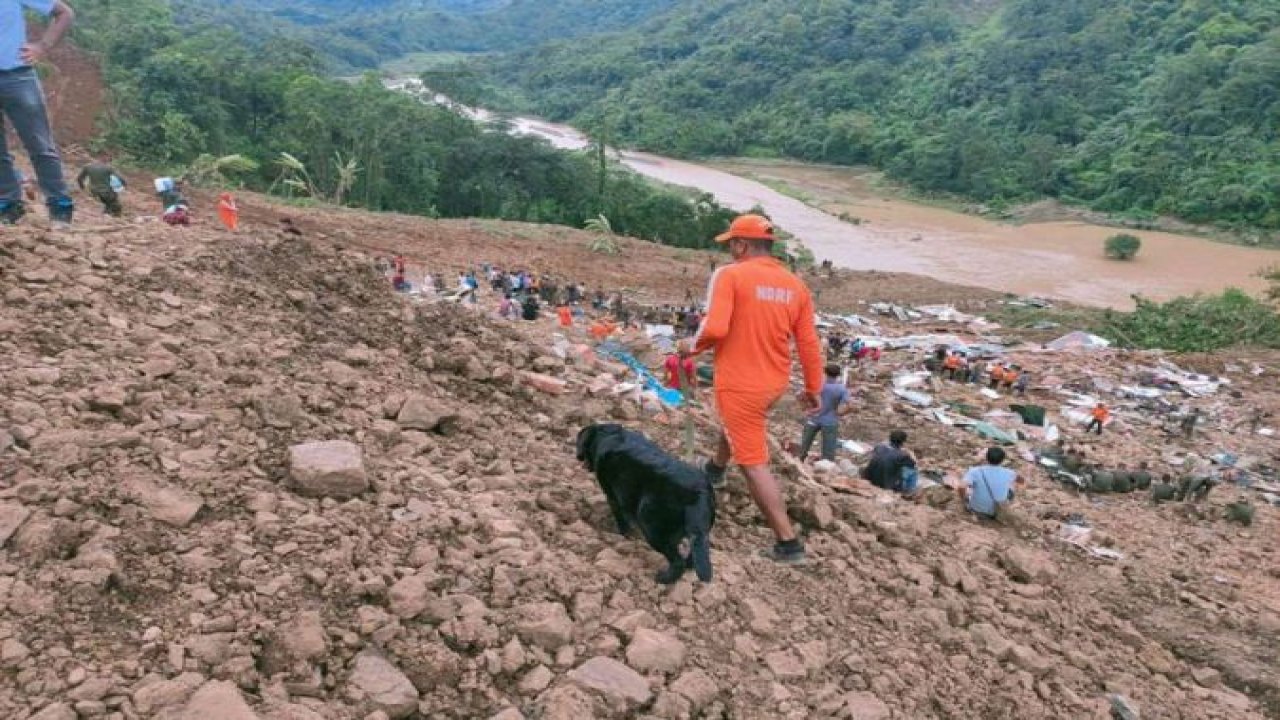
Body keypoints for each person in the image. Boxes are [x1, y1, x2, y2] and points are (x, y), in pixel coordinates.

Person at [694, 213, 824, 565]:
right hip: (773, 383)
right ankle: (715, 470)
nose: (731, 251)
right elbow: (809, 342)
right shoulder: (795, 286)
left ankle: (788, 543)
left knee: (753, 462)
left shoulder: (730, 275)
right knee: (739, 425)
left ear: (741, 244)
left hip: (740, 382)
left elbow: (716, 328)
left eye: (732, 244)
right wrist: (814, 387)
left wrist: (689, 348)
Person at [0, 0, 75, 225]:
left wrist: (42, 46)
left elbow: (64, 13)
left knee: (40, 145)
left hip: (18, 76)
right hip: (17, 79)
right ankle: (8, 205)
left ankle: (59, 205)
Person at [797, 364, 852, 463]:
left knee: (804, 444)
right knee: (829, 449)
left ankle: (799, 460)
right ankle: (826, 467)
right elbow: (849, 405)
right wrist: (841, 413)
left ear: (825, 373)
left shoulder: (818, 385)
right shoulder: (841, 389)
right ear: (838, 375)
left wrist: (806, 410)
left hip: (813, 418)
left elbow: (800, 396)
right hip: (830, 420)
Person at [960, 447, 1024, 519]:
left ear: (986, 457)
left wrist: (963, 499)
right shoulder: (1009, 473)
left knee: (971, 489)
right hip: (998, 511)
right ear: (1002, 460)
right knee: (1011, 485)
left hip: (977, 510)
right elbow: (1021, 481)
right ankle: (1004, 504)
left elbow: (962, 486)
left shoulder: (975, 471)